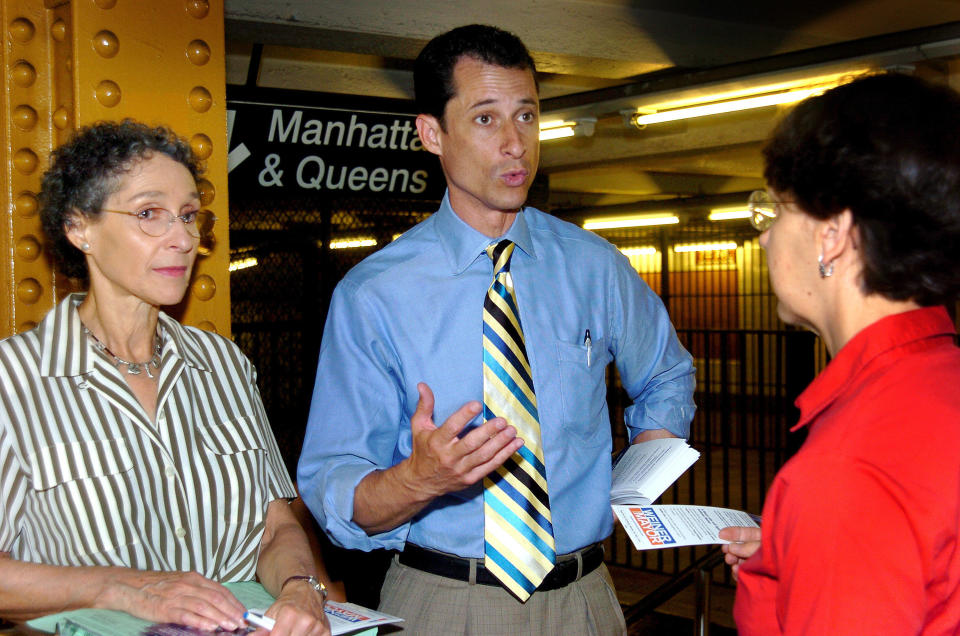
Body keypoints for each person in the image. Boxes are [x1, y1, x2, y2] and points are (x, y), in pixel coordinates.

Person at [297, 24, 695, 633]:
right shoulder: (373, 295)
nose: (515, 144)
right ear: (433, 133)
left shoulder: (594, 266)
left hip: (585, 600)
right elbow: (335, 484)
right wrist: (418, 479)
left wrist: (644, 461)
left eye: (527, 116)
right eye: (485, 119)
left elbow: (667, 371)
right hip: (445, 601)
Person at [0, 120, 334, 635]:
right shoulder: (13, 381)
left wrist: (299, 588)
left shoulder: (224, 366)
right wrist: (121, 587)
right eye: (149, 214)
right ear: (79, 228)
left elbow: (274, 527)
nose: (182, 239)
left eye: (188, 216)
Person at [719, 73, 960, 633]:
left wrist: (830, 527)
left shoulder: (848, 467)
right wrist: (798, 555)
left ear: (831, 235)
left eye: (776, 210)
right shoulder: (939, 383)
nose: (765, 237)